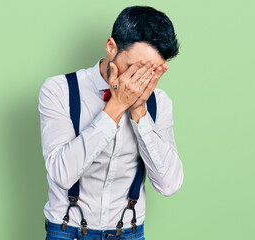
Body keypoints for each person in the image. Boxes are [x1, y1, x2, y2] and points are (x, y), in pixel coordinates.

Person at [38, 5, 184, 240]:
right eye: (134, 68)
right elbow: (62, 174)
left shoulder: (160, 103)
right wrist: (115, 106)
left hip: (129, 233)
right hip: (67, 232)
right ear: (111, 47)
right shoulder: (59, 90)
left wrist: (139, 112)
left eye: (150, 72)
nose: (138, 81)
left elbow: (169, 185)